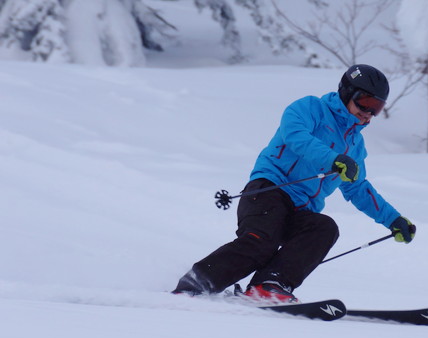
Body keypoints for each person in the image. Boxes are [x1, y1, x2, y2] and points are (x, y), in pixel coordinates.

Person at [172, 64, 415, 303]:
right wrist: (332, 159)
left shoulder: (355, 145)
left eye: (377, 107)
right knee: (261, 243)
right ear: (347, 92)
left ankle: (269, 285)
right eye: (366, 103)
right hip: (269, 191)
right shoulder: (309, 108)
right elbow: (296, 137)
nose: (369, 112)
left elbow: (357, 188)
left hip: (301, 210)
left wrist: (393, 219)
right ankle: (196, 283)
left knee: (324, 228)